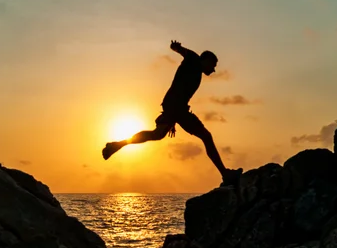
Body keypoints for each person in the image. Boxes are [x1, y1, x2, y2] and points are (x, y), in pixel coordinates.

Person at [102, 40, 243, 187]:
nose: (213, 70)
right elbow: (183, 53)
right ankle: (225, 175)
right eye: (213, 65)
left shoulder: (196, 71)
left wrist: (173, 120)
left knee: (158, 135)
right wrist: (177, 47)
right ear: (206, 60)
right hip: (175, 108)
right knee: (204, 136)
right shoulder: (193, 59)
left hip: (176, 109)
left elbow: (180, 91)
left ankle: (117, 145)